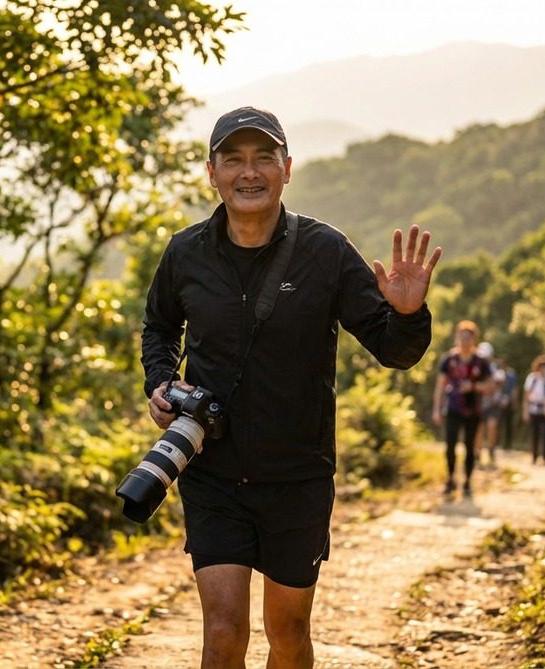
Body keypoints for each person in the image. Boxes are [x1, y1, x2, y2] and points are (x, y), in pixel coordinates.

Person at [141, 106, 441, 669]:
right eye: (234, 160)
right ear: (212, 172)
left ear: (287, 168)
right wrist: (160, 382)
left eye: (264, 159)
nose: (248, 173)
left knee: (288, 633)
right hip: (212, 471)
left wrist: (407, 313)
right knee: (224, 633)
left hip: (297, 476)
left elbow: (394, 351)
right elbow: (159, 325)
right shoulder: (186, 253)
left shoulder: (325, 251)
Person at [432, 321, 493, 495]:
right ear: (457, 337)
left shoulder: (481, 361)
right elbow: (440, 386)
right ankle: (451, 478)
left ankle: (467, 481)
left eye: (469, 337)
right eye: (462, 336)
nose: (465, 340)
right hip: (452, 408)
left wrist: (473, 387)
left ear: (474, 338)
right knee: (450, 445)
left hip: (473, 409)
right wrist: (436, 409)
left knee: (469, 446)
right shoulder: (449, 359)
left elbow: (490, 386)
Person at [474, 341, 505, 467]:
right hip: (480, 403)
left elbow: (499, 382)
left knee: (492, 425)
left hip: (493, 404)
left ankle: (491, 449)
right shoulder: (476, 367)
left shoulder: (496, 368)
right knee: (479, 428)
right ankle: (477, 452)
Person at [522, 354, 545, 464]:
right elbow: (526, 396)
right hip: (534, 409)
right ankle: (534, 456)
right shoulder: (532, 378)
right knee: (535, 434)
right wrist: (525, 411)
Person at [499, 359, 518, 449]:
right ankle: (498, 443)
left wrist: (514, 402)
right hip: (499, 401)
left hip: (509, 402)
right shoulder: (498, 373)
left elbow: (514, 388)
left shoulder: (511, 374)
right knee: (499, 423)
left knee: (508, 424)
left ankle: (508, 444)